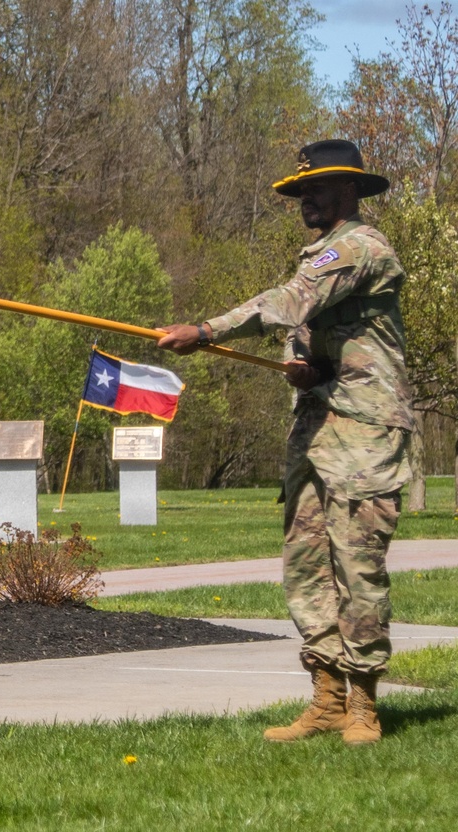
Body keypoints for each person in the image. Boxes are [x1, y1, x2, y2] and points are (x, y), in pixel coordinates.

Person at [158, 140, 413, 746]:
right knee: (306, 567)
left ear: (350, 191)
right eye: (302, 190)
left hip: (365, 432)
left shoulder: (359, 246)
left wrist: (206, 330)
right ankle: (325, 697)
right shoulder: (319, 255)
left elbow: (291, 300)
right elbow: (303, 328)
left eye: (319, 188)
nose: (308, 199)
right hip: (316, 429)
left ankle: (363, 705)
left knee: (358, 566)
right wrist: (299, 360)